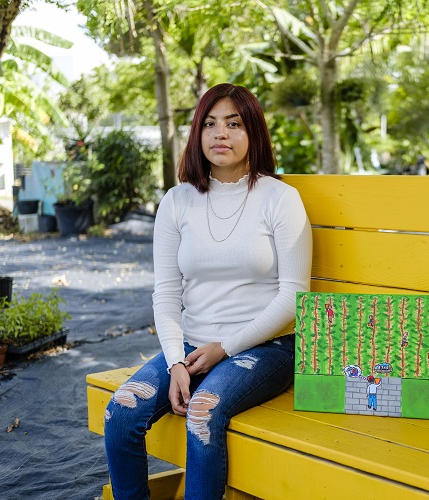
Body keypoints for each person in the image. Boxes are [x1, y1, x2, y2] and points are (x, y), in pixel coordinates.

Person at [103, 83, 312, 499]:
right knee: (120, 413)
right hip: (190, 347)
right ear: (197, 133)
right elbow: (164, 293)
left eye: (234, 124)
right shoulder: (177, 202)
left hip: (266, 347)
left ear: (253, 132)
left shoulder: (281, 199)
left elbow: (293, 297)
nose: (221, 134)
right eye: (211, 123)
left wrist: (224, 347)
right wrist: (176, 360)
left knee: (202, 412)